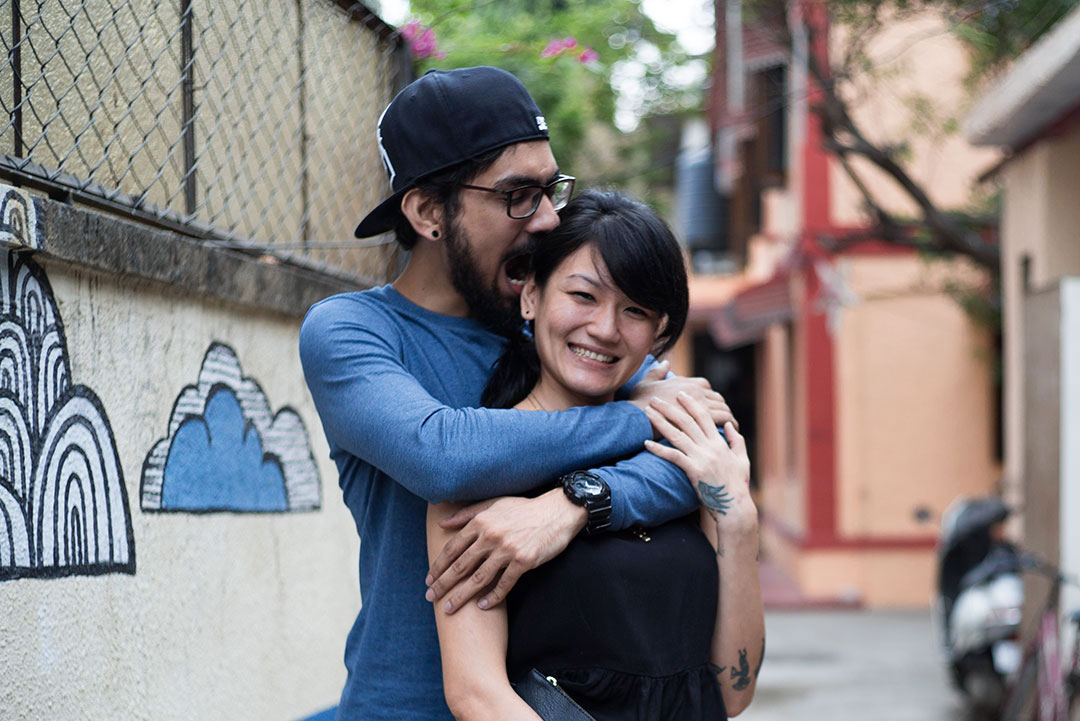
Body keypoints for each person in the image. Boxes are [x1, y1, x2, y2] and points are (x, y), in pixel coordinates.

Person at [298, 67, 737, 721]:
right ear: (426, 212)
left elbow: (706, 454)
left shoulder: (558, 330)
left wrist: (573, 506)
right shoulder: (354, 332)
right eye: (518, 195)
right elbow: (442, 454)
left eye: (551, 188)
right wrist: (634, 415)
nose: (549, 217)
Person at [427, 191, 765, 721]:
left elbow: (732, 692)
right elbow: (477, 694)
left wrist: (739, 523)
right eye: (584, 296)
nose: (606, 329)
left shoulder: (681, 455)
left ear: (657, 332)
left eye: (634, 310)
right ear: (531, 296)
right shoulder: (482, 468)